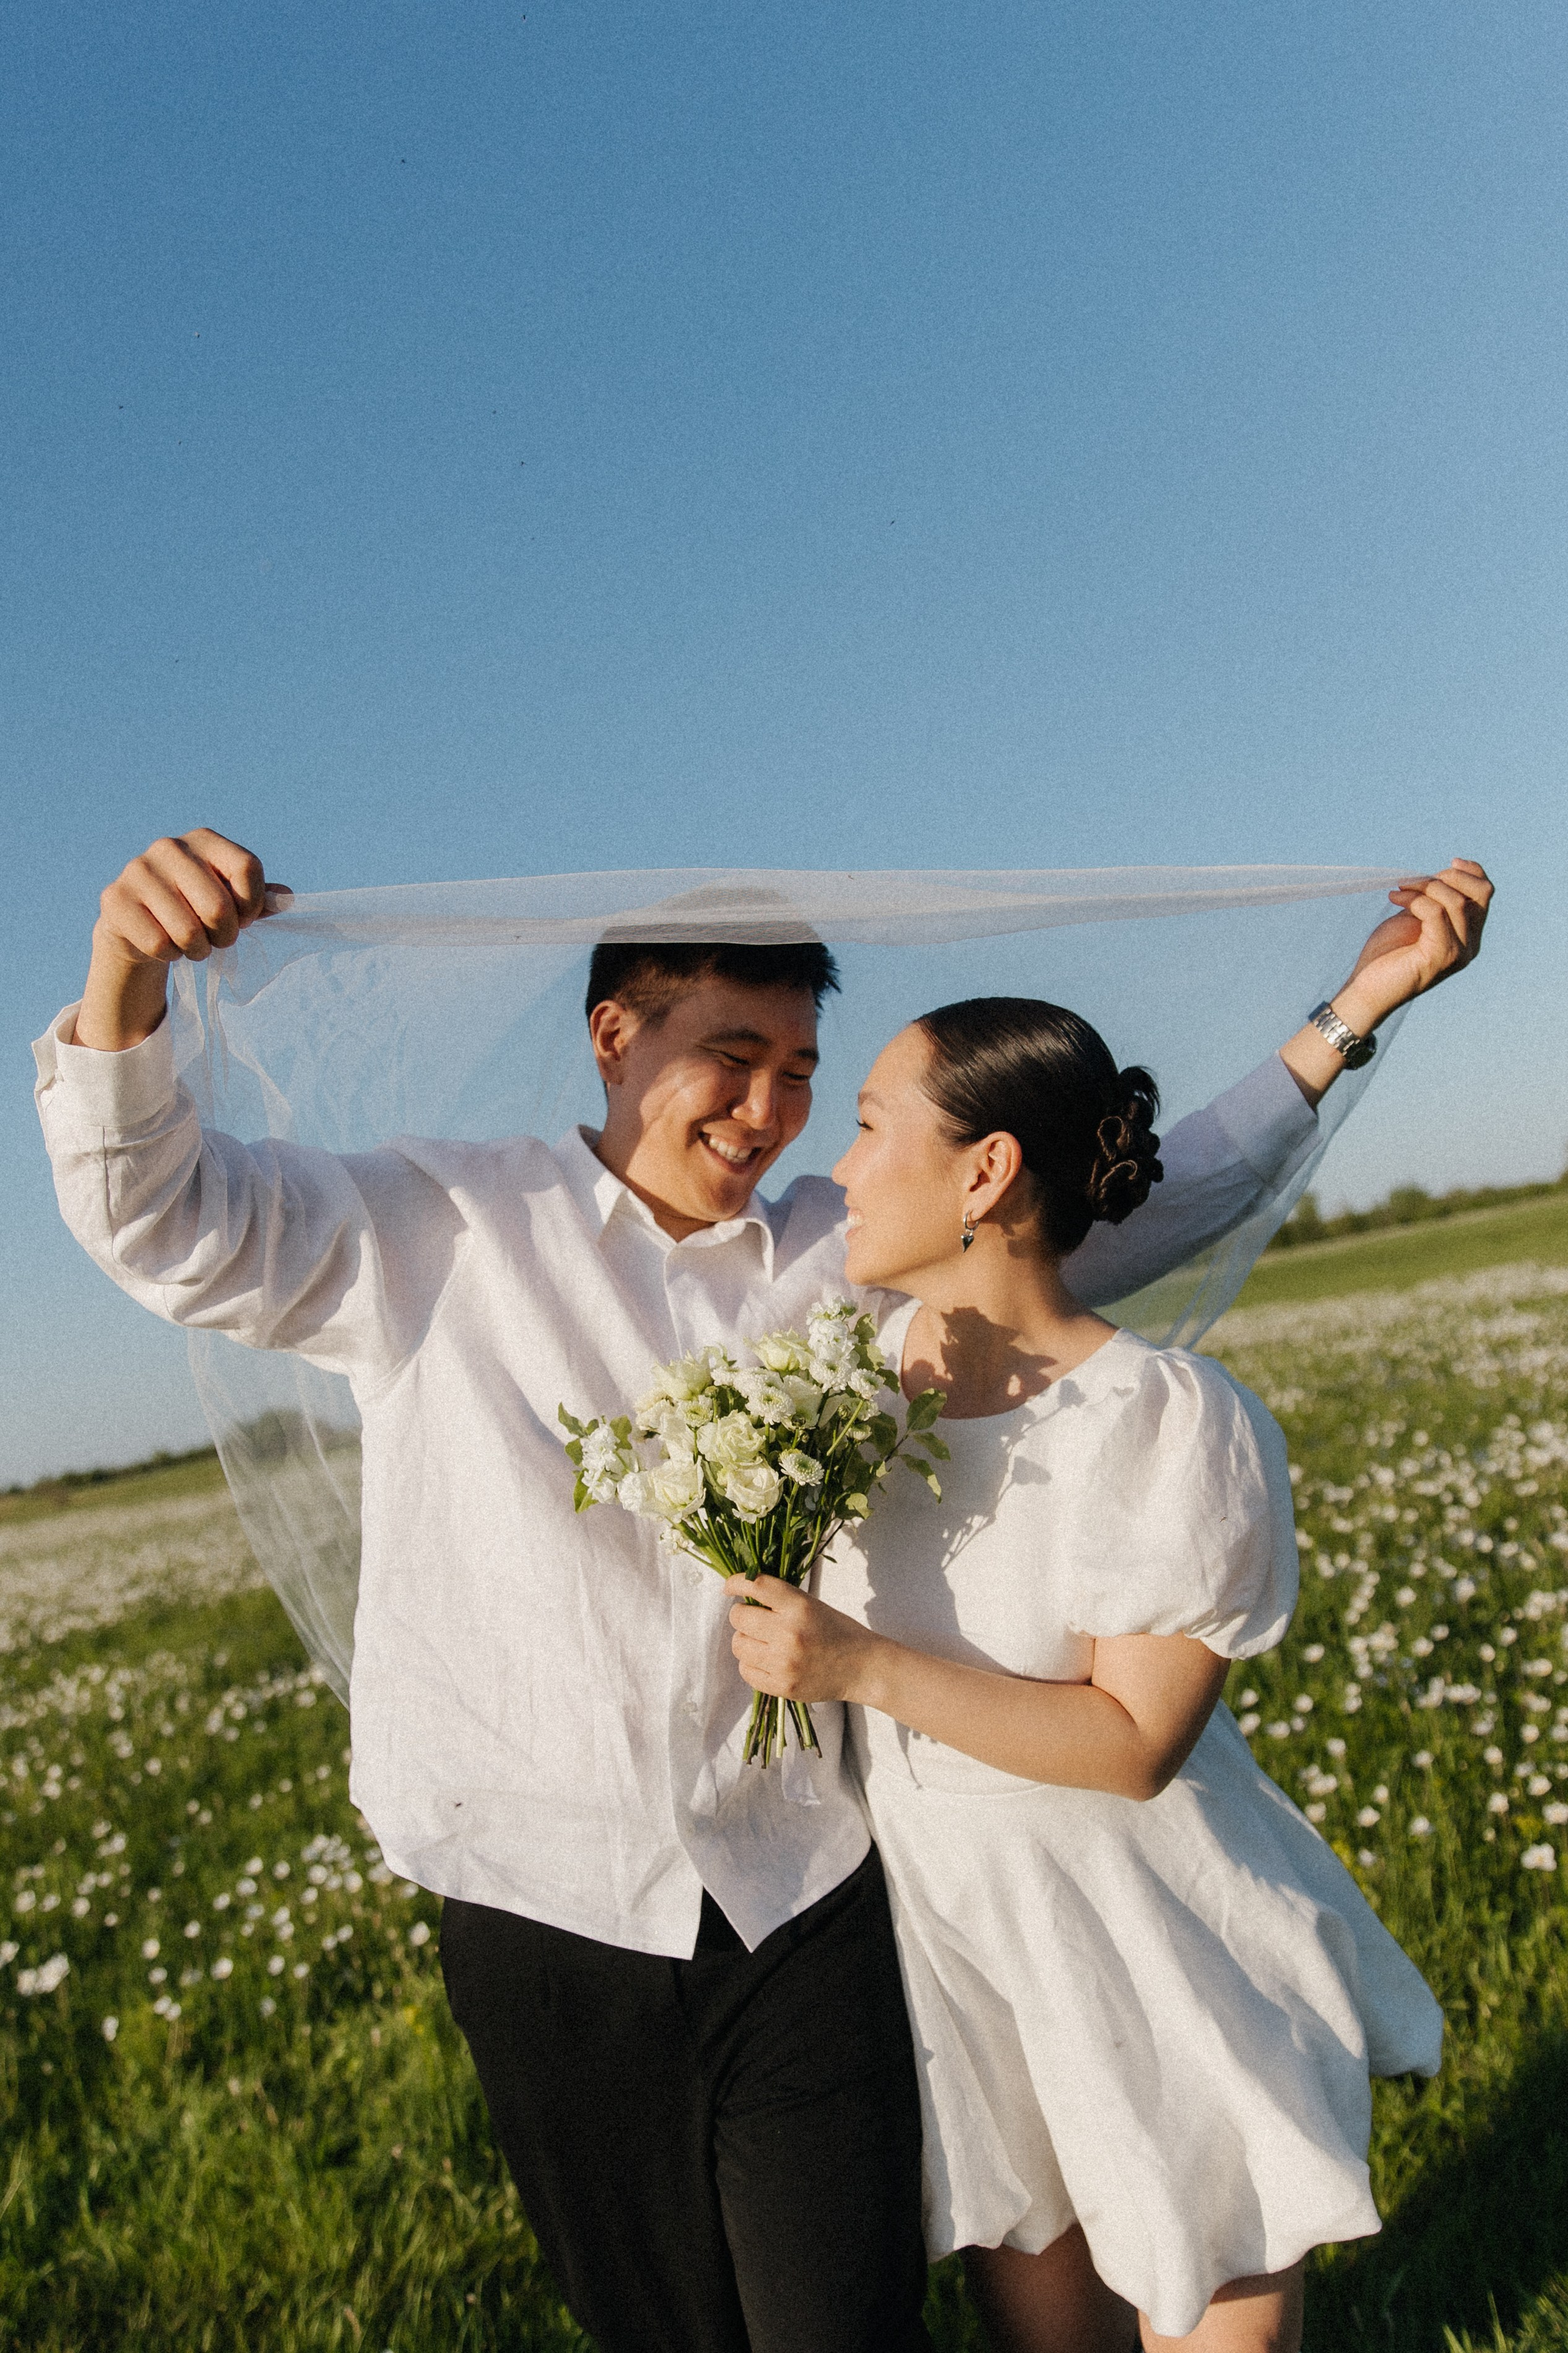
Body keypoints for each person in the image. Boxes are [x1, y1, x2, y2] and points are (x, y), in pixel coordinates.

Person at [33, 833, 1489, 2353]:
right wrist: (127, 976)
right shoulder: (425, 1227)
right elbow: (165, 1223)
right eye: (732, 1058)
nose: (772, 1111)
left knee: (847, 2325)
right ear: (613, 1037)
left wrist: (1350, 1013)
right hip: (548, 1908)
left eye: (802, 1070)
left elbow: (1098, 1210)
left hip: (807, 1897)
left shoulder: (836, 1255)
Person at [726, 993, 1455, 2353]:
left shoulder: (1165, 1418)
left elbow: (1133, 1743)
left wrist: (856, 1664)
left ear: (986, 1172)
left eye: (872, 1125)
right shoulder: (842, 1396)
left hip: (1147, 1935)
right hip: (965, 1941)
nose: (837, 1166)